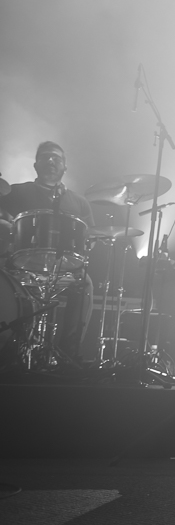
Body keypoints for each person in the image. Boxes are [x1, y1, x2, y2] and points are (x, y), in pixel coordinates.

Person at [0, 141, 95, 361]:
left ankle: (67, 355)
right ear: (35, 165)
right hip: (21, 265)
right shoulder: (15, 192)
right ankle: (11, 352)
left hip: (63, 267)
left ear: (65, 167)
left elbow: (91, 237)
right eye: (44, 157)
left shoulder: (79, 203)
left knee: (85, 283)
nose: (50, 161)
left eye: (56, 158)